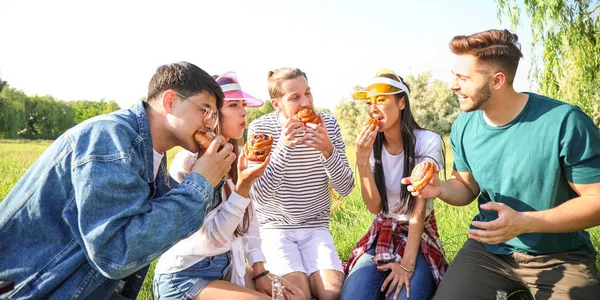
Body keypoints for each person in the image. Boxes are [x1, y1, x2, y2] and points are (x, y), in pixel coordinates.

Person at [0, 62, 235, 299]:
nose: (210, 123)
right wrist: (200, 182)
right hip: (34, 289)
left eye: (214, 116)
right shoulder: (109, 137)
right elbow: (116, 252)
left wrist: (211, 181)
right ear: (170, 102)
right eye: (205, 111)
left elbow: (161, 227)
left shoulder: (150, 153)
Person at [404, 29, 600, 299]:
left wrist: (525, 222)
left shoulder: (565, 122)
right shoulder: (464, 125)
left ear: (497, 80)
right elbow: (465, 186)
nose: (453, 85)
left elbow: (597, 201)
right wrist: (439, 188)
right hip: (488, 250)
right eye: (454, 75)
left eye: (463, 78)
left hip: (560, 254)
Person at [153, 71, 300, 300]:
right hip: (186, 274)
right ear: (212, 114)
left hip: (226, 266)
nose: (243, 111)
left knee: (295, 296)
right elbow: (212, 239)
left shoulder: (236, 155)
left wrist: (260, 271)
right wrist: (242, 188)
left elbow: (250, 220)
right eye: (233, 105)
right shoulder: (191, 163)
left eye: (243, 105)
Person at [339, 69, 448, 300]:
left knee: (404, 294)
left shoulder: (427, 141)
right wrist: (361, 159)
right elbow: (374, 207)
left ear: (401, 103)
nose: (373, 108)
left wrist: (407, 265)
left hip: (418, 236)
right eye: (369, 102)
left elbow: (418, 211)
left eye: (381, 100)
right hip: (383, 231)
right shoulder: (370, 146)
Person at [247, 67, 355, 300]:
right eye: (295, 97)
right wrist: (284, 147)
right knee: (298, 295)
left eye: (308, 93)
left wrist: (328, 150)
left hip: (316, 226)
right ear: (277, 104)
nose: (306, 102)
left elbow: (345, 187)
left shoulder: (328, 124)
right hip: (275, 228)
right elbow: (261, 197)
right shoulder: (261, 130)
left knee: (332, 294)